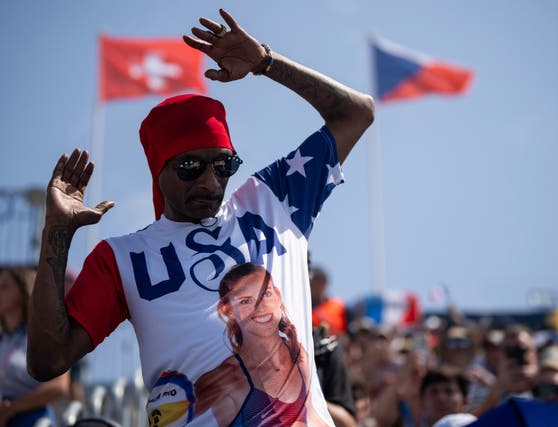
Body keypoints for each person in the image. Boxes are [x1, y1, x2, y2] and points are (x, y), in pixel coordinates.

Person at [26, 6, 374, 427]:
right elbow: (47, 361)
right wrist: (55, 235)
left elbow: (357, 112)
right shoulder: (123, 257)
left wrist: (266, 62)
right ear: (159, 171)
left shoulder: (270, 200)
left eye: (224, 165)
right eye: (190, 167)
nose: (211, 181)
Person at [194, 263, 328, 426]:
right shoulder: (226, 378)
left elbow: (312, 416)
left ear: (278, 296)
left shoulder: (298, 354)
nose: (260, 307)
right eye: (245, 301)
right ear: (228, 311)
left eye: (266, 294)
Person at [0, 267, 69, 426]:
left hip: (34, 420)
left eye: (4, 287)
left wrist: (11, 408)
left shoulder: (44, 336)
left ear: (23, 291)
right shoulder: (3, 338)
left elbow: (59, 386)